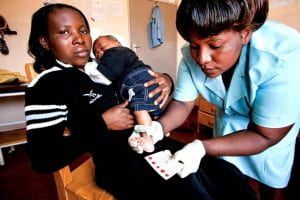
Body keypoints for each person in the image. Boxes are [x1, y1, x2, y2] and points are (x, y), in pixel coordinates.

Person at [25, 3, 257, 200]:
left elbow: (137, 79)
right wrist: (102, 123)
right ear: (45, 42)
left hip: (152, 144)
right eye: (64, 33)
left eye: (83, 30)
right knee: (191, 191)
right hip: (118, 165)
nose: (79, 39)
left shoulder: (102, 68)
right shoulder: (46, 86)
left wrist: (166, 81)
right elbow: (44, 158)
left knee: (227, 175)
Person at [132, 0, 300, 199]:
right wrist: (159, 128)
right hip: (229, 124)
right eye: (195, 46)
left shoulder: (283, 55)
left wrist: (202, 146)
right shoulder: (190, 54)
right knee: (230, 179)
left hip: (271, 128)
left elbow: (266, 136)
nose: (202, 58)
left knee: (271, 185)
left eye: (215, 46)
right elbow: (183, 103)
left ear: (245, 34)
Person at [88, 35, 167, 153]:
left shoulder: (116, 52)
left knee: (138, 107)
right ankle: (146, 134)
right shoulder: (117, 61)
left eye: (101, 46)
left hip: (139, 81)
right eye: (96, 53)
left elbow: (102, 77)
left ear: (117, 43)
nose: (99, 52)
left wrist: (88, 68)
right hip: (138, 84)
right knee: (141, 110)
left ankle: (147, 137)